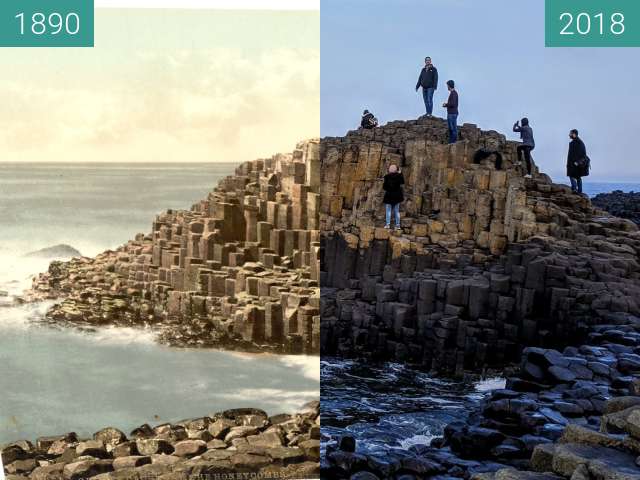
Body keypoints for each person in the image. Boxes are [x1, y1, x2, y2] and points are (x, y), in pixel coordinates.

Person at [382, 164, 404, 230]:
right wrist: (400, 174)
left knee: (388, 211)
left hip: (389, 195)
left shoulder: (386, 176)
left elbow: (384, 187)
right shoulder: (399, 176)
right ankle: (398, 225)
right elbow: (402, 182)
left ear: (389, 170)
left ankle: (387, 224)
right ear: (396, 170)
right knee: (397, 211)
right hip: (397, 196)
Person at [567, 129, 588, 194]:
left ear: (574, 134)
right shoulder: (574, 142)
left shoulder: (579, 143)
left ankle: (575, 189)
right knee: (576, 177)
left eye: (570, 133)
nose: (569, 135)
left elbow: (583, 154)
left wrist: (578, 162)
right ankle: (578, 191)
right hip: (573, 163)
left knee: (574, 176)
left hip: (576, 164)